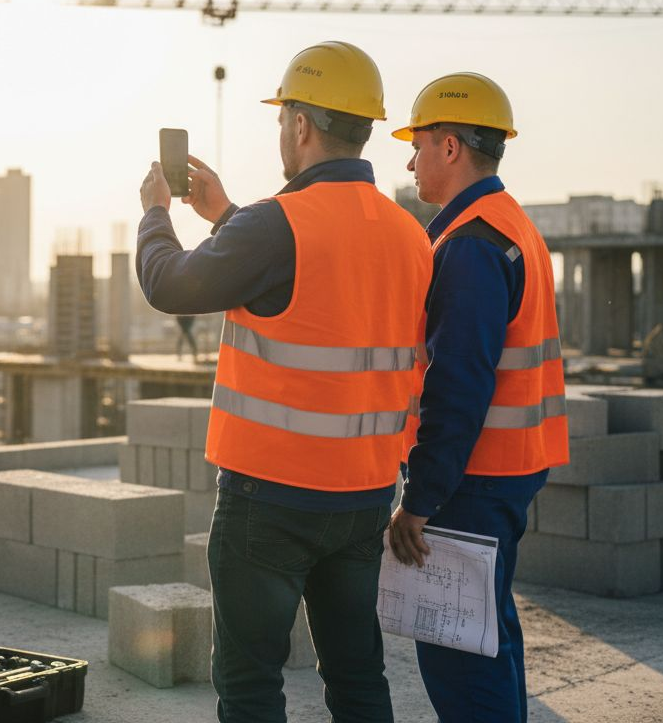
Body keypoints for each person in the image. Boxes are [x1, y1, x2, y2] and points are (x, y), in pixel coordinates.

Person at [136, 41, 432, 723]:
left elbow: (169, 283)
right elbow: (321, 283)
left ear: (300, 124)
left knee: (250, 685)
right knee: (358, 675)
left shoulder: (276, 223)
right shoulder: (408, 232)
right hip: (362, 498)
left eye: (281, 120)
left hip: (270, 501)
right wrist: (227, 213)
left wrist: (157, 212)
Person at [385, 72, 569, 723]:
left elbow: (457, 384)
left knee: (460, 656)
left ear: (451, 147)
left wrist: (421, 499)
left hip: (470, 482)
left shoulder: (467, 246)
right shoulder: (511, 225)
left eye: (418, 144)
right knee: (492, 638)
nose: (410, 161)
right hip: (507, 470)